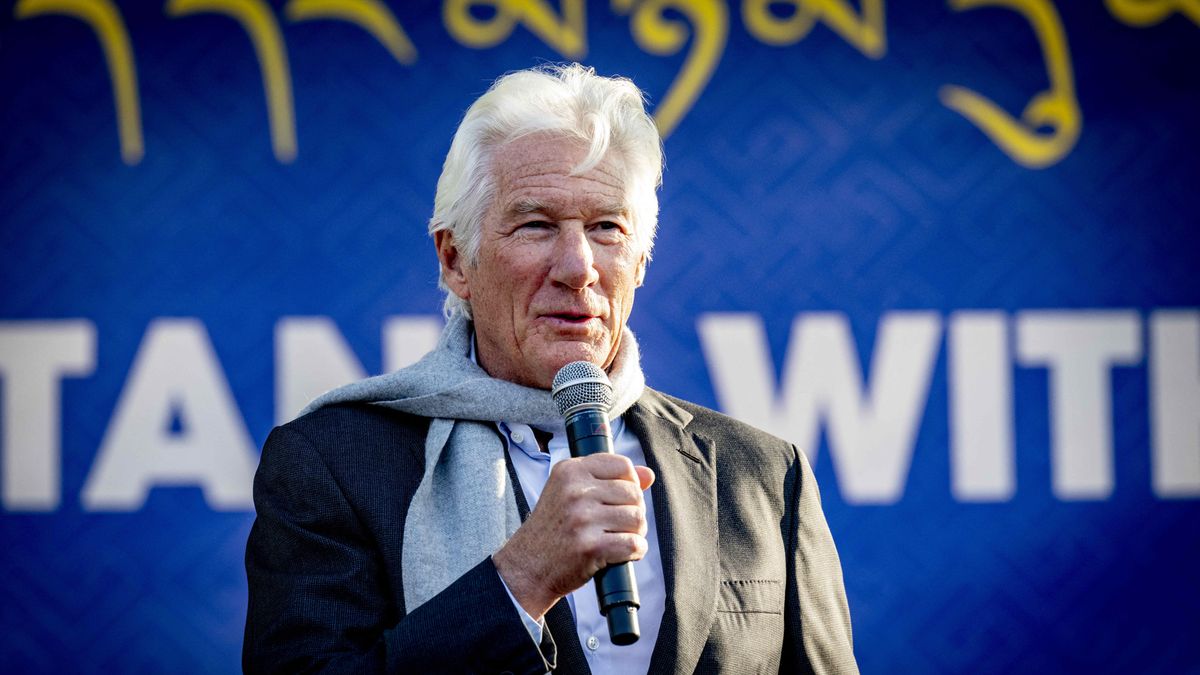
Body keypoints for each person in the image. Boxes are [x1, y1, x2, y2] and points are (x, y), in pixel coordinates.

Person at [243, 63, 857, 674]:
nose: (577, 266)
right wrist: (520, 578)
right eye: (536, 225)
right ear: (456, 260)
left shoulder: (763, 474)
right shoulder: (330, 464)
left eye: (606, 228)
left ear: (640, 262)